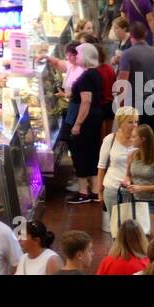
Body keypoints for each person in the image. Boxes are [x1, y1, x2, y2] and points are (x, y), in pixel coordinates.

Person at [66, 44, 105, 204]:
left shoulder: (87, 76)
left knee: (80, 152)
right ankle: (95, 191)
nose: (76, 56)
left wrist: (77, 124)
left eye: (78, 53)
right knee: (93, 151)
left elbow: (86, 101)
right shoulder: (95, 73)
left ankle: (83, 192)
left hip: (86, 120)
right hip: (95, 118)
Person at [123, 124, 154, 239]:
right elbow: (128, 175)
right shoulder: (132, 155)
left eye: (134, 137)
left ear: (143, 139)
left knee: (153, 238)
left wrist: (141, 188)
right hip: (136, 201)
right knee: (139, 239)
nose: (131, 139)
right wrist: (127, 181)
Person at [95, 106, 138, 223]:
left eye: (136, 121)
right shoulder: (110, 139)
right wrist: (100, 192)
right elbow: (101, 167)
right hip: (113, 190)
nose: (134, 125)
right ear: (120, 123)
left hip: (136, 192)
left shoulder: (140, 141)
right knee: (117, 230)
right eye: (130, 122)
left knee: (135, 230)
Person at [118, 25, 154, 135]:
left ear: (131, 36)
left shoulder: (127, 54)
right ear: (145, 35)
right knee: (151, 136)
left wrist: (121, 104)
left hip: (135, 104)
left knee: (135, 137)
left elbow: (123, 82)